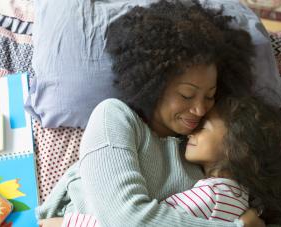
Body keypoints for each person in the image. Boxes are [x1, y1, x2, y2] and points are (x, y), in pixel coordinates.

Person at [37, 1, 266, 226]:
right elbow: (124, 218)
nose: (200, 109)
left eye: (210, 96)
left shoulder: (202, 152)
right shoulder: (114, 118)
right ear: (155, 85)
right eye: (187, 95)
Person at [58, 96, 281, 227]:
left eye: (204, 127)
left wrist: (66, 223)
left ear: (238, 147)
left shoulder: (214, 195)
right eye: (187, 95)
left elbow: (147, 221)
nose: (192, 129)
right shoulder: (238, 197)